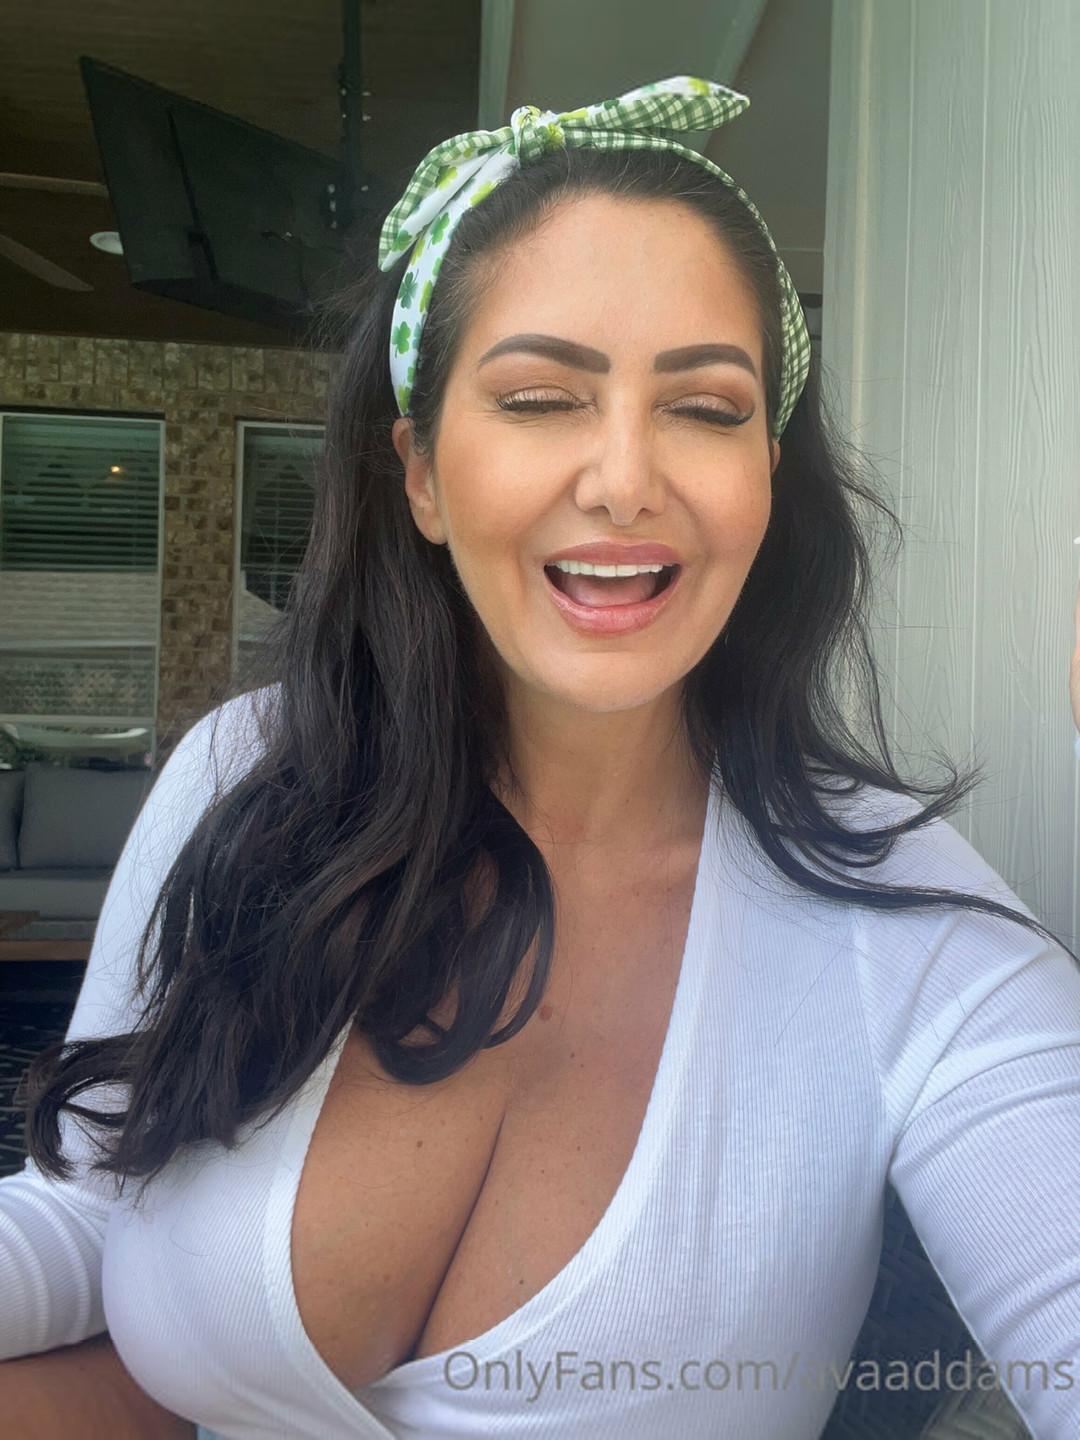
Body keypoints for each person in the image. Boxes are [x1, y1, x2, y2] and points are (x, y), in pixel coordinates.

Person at [1, 76, 1079, 1440]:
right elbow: (92, 1212)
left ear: (767, 475)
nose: (626, 479)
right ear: (420, 474)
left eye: (706, 408)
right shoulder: (247, 780)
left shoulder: (918, 938)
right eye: (539, 397)